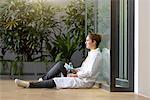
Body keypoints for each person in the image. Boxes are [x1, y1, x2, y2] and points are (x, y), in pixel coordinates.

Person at [15, 33, 102, 89]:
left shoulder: (96, 55)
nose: (85, 42)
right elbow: (85, 69)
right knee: (61, 64)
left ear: (94, 42)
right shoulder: (92, 53)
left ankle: (29, 84)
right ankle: (41, 80)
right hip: (80, 75)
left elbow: (89, 73)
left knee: (57, 80)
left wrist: (75, 75)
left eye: (87, 40)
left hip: (84, 81)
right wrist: (76, 69)